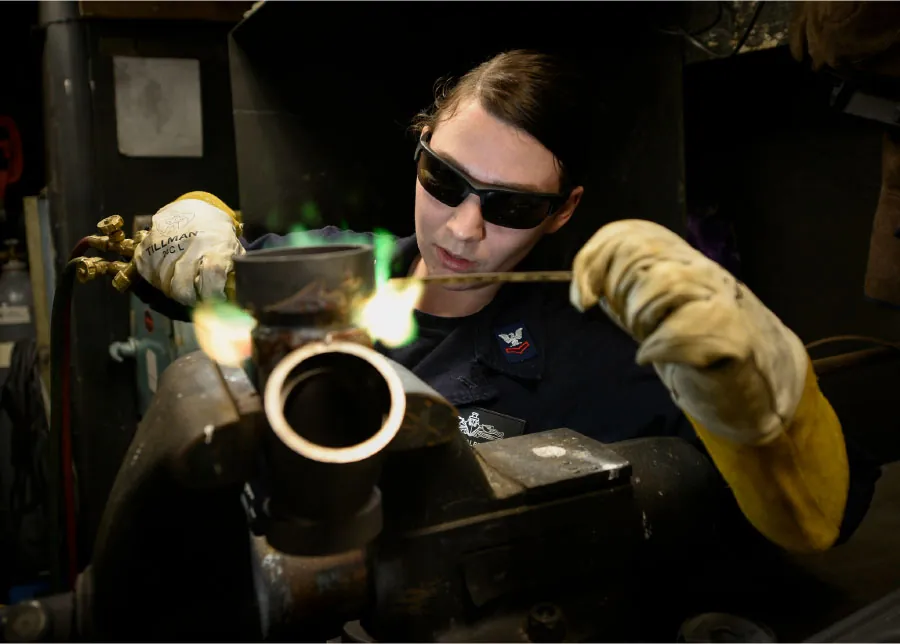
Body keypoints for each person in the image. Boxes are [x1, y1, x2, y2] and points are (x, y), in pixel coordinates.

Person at [133, 50, 878, 554]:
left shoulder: (608, 360)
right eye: (445, 179)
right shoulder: (330, 266)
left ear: (561, 211)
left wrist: (762, 397)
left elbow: (823, 517)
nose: (463, 228)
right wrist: (191, 246)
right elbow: (179, 262)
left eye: (511, 207)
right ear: (421, 144)